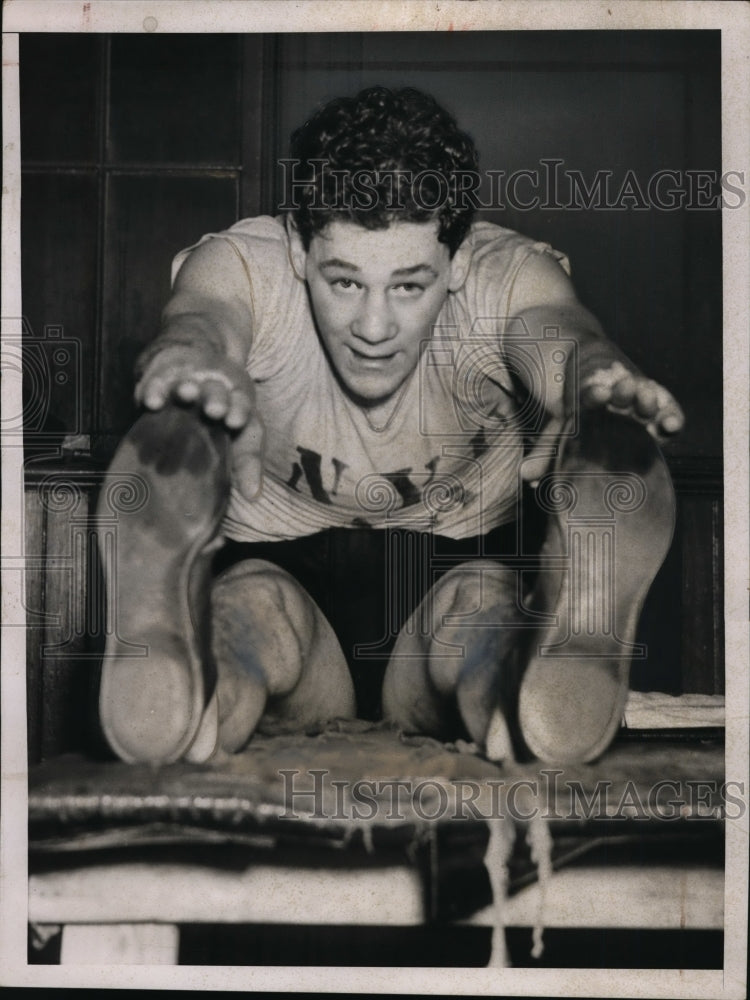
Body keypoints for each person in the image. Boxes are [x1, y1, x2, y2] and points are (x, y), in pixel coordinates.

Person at [97, 86, 684, 767]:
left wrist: (595, 384)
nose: (373, 329)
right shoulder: (243, 264)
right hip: (283, 557)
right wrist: (194, 368)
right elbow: (204, 318)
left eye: (409, 286)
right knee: (252, 612)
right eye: (343, 282)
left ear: (458, 262)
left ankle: (535, 699)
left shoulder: (505, 274)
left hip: (448, 560)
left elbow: (558, 332)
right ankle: (179, 704)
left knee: (479, 612)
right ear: (296, 249)